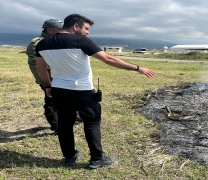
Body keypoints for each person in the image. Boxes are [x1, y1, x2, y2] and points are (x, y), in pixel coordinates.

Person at [35, 14, 156, 169]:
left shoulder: (42, 44)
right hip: (82, 91)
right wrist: (138, 68)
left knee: (65, 124)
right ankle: (97, 159)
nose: (87, 32)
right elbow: (108, 59)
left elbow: (41, 69)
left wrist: (47, 86)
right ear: (75, 26)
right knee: (92, 123)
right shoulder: (80, 41)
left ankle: (69, 157)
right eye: (86, 28)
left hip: (59, 90)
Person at [26, 19, 63, 132]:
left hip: (60, 77)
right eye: (59, 29)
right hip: (49, 78)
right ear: (50, 29)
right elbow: (36, 65)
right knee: (51, 101)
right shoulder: (37, 42)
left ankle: (68, 118)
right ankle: (56, 125)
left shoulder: (55, 40)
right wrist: (46, 82)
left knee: (64, 100)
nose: (62, 31)